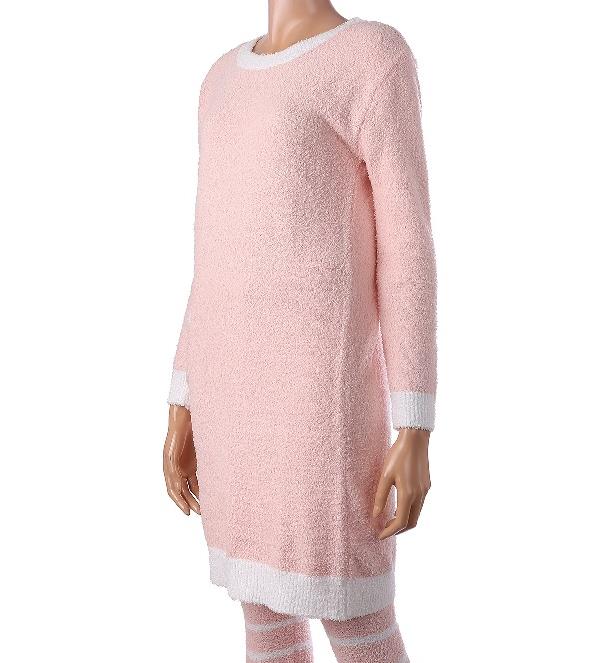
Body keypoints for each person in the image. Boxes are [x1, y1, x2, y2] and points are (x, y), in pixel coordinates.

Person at [163, 2, 436, 661]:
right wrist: (183, 399)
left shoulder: (371, 57)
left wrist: (414, 421)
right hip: (229, 399)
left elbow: (407, 248)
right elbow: (212, 256)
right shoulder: (220, 79)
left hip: (318, 400)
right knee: (264, 618)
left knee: (358, 619)